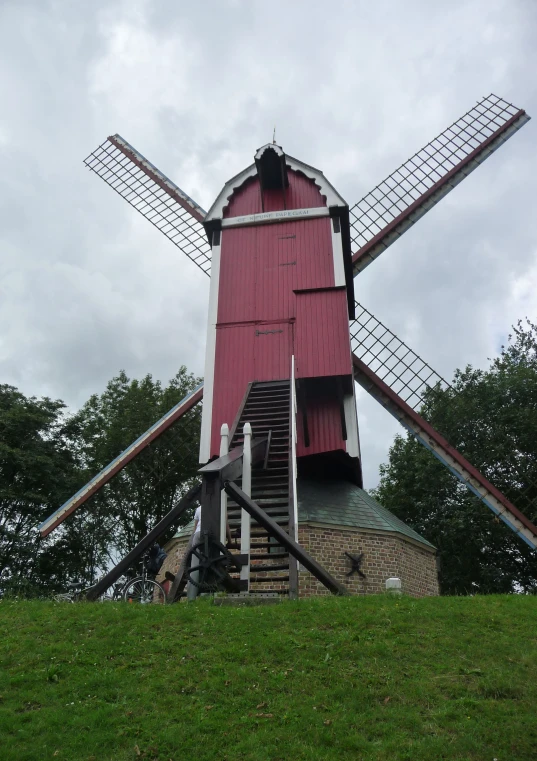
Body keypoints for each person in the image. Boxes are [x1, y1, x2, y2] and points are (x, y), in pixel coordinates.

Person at [187, 505, 202, 601]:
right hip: (213, 533)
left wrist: (192, 542)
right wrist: (229, 540)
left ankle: (191, 598)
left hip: (198, 534)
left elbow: (195, 526)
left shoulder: (199, 508)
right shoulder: (220, 505)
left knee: (194, 566)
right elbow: (225, 524)